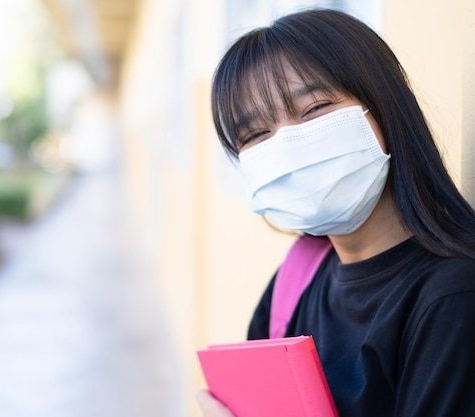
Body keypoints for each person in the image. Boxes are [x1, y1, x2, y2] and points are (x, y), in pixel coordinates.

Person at [197, 8, 475, 417]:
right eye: (255, 134)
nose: (287, 145)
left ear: (383, 107)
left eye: (314, 108)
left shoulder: (452, 298)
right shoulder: (297, 277)